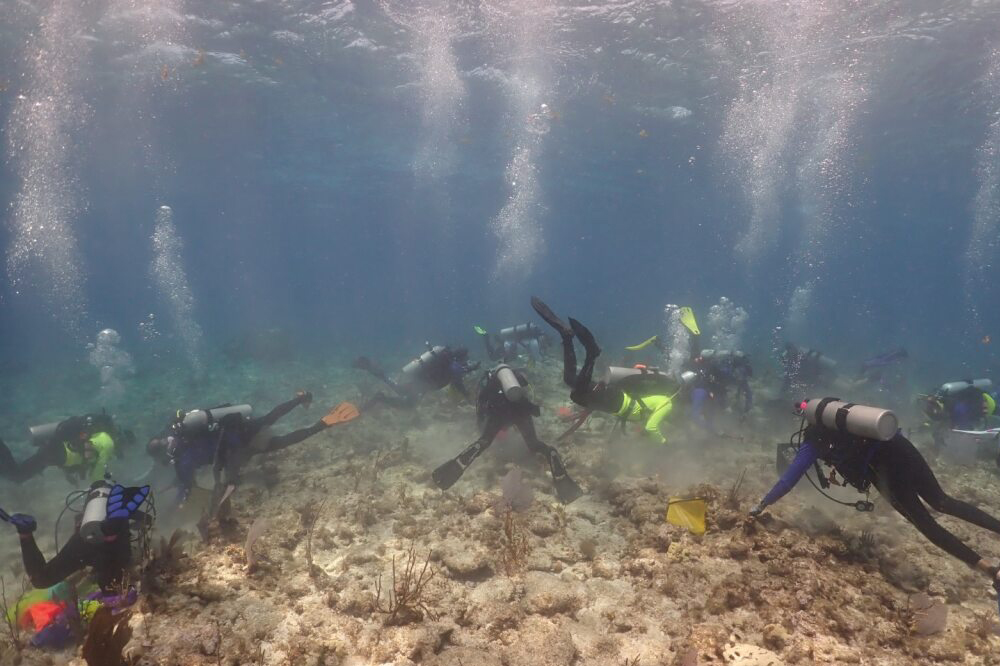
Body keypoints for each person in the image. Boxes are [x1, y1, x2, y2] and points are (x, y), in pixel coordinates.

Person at [750, 401, 1000, 587]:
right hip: (899, 446)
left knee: (925, 522)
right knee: (942, 501)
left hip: (883, 469)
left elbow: (788, 479)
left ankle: (991, 570)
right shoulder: (850, 417)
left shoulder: (813, 440)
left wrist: (762, 504)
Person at [147, 392, 357, 504]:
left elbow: (187, 484)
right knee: (269, 419)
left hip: (237, 446)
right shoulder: (179, 432)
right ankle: (300, 398)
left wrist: (177, 504)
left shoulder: (181, 458)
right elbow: (187, 470)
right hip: (238, 426)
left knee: (280, 442)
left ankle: (324, 423)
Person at [431, 365, 583, 503]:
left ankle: (465, 457)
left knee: (484, 441)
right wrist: (532, 410)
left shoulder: (489, 382)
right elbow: (529, 395)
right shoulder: (517, 378)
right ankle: (550, 452)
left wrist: (482, 426)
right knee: (535, 444)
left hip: (498, 414)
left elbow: (481, 407)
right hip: (521, 411)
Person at [532, 297, 674, 444]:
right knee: (578, 393)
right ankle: (592, 354)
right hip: (615, 400)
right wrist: (666, 443)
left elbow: (642, 418)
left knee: (570, 380)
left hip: (613, 398)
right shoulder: (667, 403)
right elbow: (651, 427)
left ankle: (566, 336)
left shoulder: (660, 398)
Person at [5, 483, 150, 591]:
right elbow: (148, 519)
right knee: (114, 581)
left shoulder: (89, 512)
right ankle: (110, 534)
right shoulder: (124, 507)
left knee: (41, 579)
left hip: (84, 542)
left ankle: (25, 532)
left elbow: (79, 521)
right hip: (113, 547)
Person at [0, 413, 133, 484]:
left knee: (17, 474)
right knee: (17, 476)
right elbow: (97, 473)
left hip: (55, 450)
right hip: (55, 453)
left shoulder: (101, 435)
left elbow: (83, 452)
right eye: (125, 447)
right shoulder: (108, 443)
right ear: (122, 441)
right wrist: (103, 485)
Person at [354, 345, 479, 409]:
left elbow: (455, 379)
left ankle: (376, 383)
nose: (467, 360)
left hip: (423, 384)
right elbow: (458, 382)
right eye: (466, 358)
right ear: (462, 357)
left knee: (405, 399)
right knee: (403, 397)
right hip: (422, 384)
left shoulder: (450, 362)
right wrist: (467, 396)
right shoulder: (455, 366)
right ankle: (378, 392)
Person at [919, 379, 998, 452]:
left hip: (984, 405)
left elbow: (960, 415)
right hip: (977, 406)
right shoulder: (948, 404)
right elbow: (954, 420)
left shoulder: (951, 404)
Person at [689, 349, 753, 421]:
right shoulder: (725, 367)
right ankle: (722, 408)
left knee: (717, 389)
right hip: (720, 377)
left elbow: (721, 384)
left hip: (720, 377)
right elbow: (747, 392)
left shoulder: (726, 368)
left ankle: (722, 408)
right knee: (718, 389)